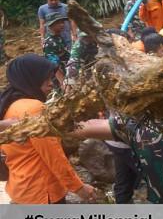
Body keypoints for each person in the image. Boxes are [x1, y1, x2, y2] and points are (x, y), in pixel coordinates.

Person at [0, 54, 96, 204]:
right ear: (30, 77)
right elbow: (53, 155)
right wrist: (78, 187)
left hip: (21, 187)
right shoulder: (33, 108)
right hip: (43, 192)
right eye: (45, 78)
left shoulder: (10, 104)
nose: (51, 84)